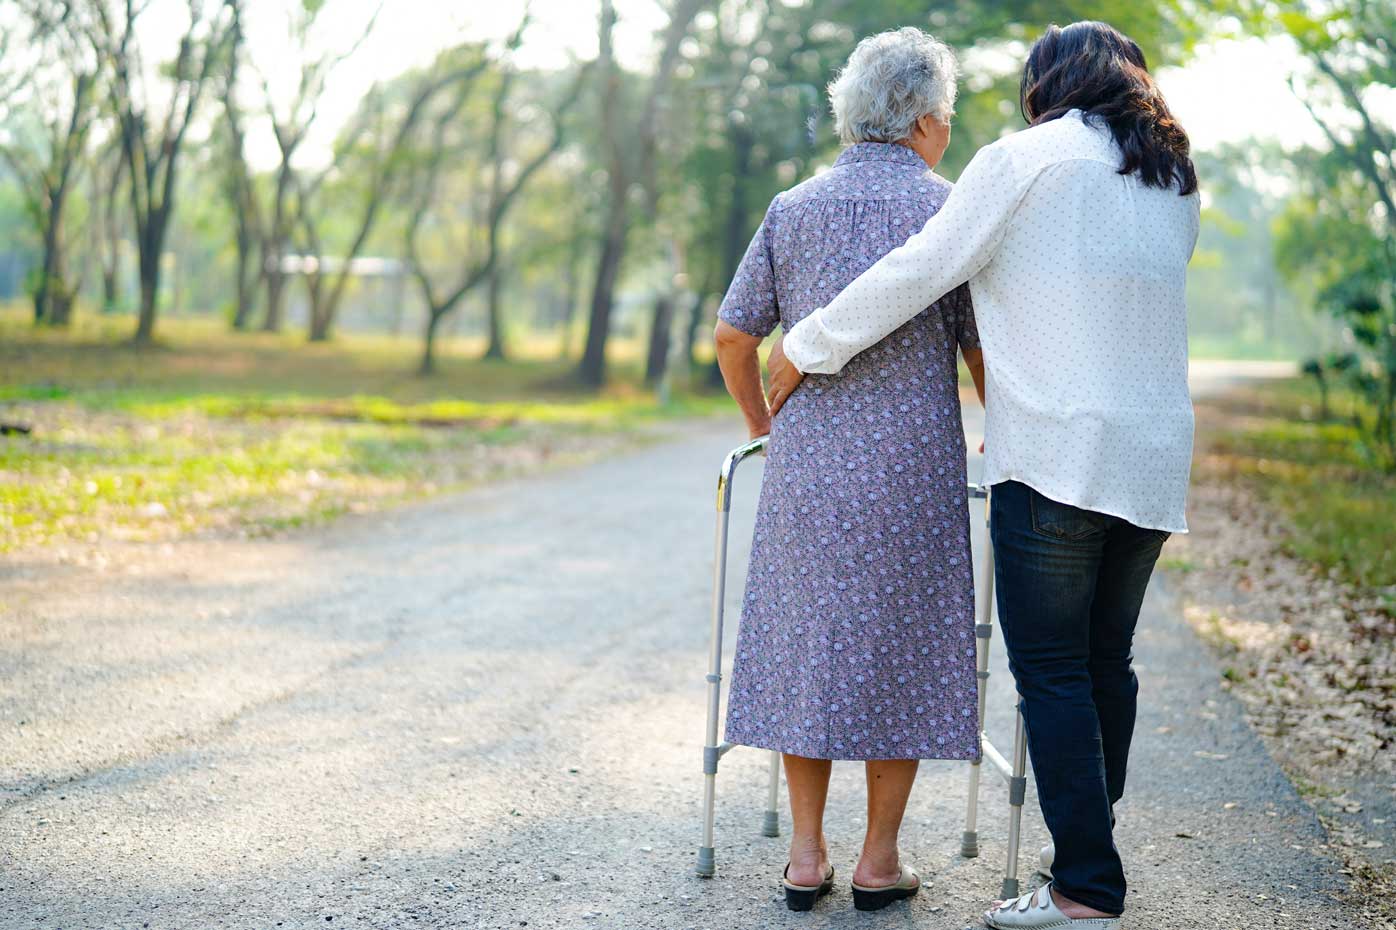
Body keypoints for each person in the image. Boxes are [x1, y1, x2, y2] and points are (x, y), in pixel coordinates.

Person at [767, 20, 1201, 930]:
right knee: (1104, 661)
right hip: (1152, 452)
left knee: (1050, 672)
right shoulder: (1172, 175)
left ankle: (1085, 886)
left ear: (1047, 85)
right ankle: (1082, 844)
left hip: (1053, 452)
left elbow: (922, 269)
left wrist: (807, 343)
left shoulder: (1024, 159)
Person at [712, 27, 985, 913]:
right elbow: (984, 351)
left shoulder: (793, 208)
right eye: (945, 113)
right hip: (913, 471)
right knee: (897, 650)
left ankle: (802, 856)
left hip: (810, 472)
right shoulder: (953, 211)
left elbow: (732, 335)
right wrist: (1000, 430)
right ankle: (878, 861)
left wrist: (762, 424)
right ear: (923, 122)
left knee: (809, 648)